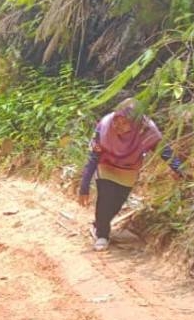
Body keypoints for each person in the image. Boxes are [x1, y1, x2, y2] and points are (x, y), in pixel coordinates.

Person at [77, 98, 184, 251]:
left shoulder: (146, 130)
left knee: (116, 203)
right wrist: (84, 187)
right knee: (105, 197)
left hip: (129, 168)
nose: (118, 126)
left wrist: (179, 169)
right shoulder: (104, 126)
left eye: (124, 123)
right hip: (106, 164)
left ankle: (99, 223)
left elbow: (164, 151)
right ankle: (102, 235)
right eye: (117, 121)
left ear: (135, 124)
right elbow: (94, 157)